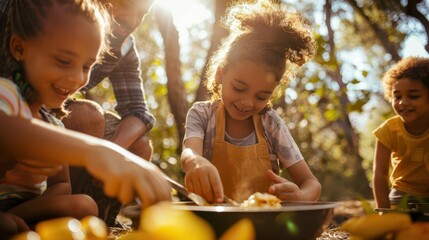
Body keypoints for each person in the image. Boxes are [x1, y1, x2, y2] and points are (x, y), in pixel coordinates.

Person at [0, 0, 171, 237]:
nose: (76, 78)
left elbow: (61, 185)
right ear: (19, 49)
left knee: (84, 206)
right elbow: (9, 129)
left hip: (22, 205)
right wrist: (96, 152)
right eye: (63, 61)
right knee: (89, 116)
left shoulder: (54, 123)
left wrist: (114, 150)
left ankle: (22, 221)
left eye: (87, 66)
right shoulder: (6, 94)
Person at [181, 0, 322, 203]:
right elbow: (189, 153)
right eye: (239, 88)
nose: (247, 102)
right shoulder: (202, 115)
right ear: (221, 74)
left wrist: (301, 195)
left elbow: (312, 184)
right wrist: (195, 162)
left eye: (261, 96)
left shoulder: (271, 125)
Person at [61, 0, 158, 226]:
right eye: (124, 5)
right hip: (23, 109)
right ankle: (61, 214)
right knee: (88, 117)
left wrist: (112, 149)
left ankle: (100, 222)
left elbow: (138, 111)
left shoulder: (124, 48)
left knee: (139, 145)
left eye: (141, 14)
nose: (132, 21)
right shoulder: (59, 15)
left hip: (61, 117)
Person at [372, 56, 429, 209]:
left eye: (413, 96)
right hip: (402, 197)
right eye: (397, 97)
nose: (403, 102)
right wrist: (383, 212)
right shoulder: (388, 130)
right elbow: (380, 175)